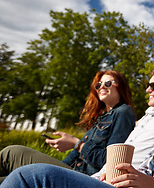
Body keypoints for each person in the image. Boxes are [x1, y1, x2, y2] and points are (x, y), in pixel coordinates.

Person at [0, 70, 154, 188]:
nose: (147, 90)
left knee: (24, 169)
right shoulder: (147, 121)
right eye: (98, 85)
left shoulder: (129, 114)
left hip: (103, 176)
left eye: (108, 83)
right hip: (104, 176)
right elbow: (147, 166)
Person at [0, 70, 135, 182]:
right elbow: (69, 160)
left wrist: (77, 144)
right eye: (99, 85)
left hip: (87, 179)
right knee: (7, 179)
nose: (102, 87)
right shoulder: (101, 118)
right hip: (72, 171)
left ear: (120, 86)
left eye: (108, 83)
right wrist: (59, 162)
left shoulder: (123, 112)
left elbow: (110, 162)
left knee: (11, 153)